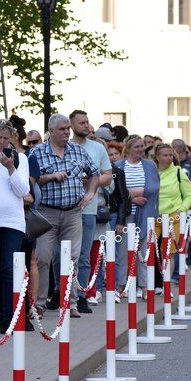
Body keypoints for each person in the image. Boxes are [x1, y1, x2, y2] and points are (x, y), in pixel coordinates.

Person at [28, 114, 100, 314]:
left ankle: (71, 302)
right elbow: (30, 180)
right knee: (43, 257)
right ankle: (40, 303)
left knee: (72, 259)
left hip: (73, 212)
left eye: (68, 128)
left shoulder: (78, 151)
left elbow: (95, 173)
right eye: (61, 129)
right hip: (46, 213)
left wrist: (90, 193)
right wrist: (49, 177)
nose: (66, 132)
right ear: (50, 131)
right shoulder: (37, 152)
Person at [0, 119, 29, 333]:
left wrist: (10, 167)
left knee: (9, 270)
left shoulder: (20, 158)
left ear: (11, 138)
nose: (1, 142)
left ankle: (9, 318)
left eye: (5, 138)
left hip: (13, 221)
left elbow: (23, 191)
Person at [70, 110, 112, 315]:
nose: (86, 126)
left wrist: (91, 181)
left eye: (87, 122)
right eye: (81, 123)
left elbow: (107, 177)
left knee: (84, 255)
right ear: (71, 125)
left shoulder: (97, 149)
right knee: (61, 254)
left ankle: (82, 294)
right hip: (66, 207)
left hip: (88, 208)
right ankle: (61, 292)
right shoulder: (65, 147)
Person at [113, 135, 159, 293]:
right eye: (137, 147)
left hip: (145, 213)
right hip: (126, 215)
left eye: (142, 146)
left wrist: (134, 194)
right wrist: (132, 198)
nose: (140, 149)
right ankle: (121, 285)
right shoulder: (119, 166)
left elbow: (153, 188)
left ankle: (145, 286)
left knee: (144, 251)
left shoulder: (149, 165)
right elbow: (116, 193)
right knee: (123, 252)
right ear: (129, 149)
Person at [154, 143, 191, 282]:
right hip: (153, 216)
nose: (168, 158)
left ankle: (166, 284)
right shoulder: (152, 172)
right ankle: (150, 286)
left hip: (172, 217)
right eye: (165, 155)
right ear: (157, 157)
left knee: (168, 253)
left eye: (170, 155)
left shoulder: (179, 172)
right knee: (149, 252)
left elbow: (189, 195)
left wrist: (181, 210)